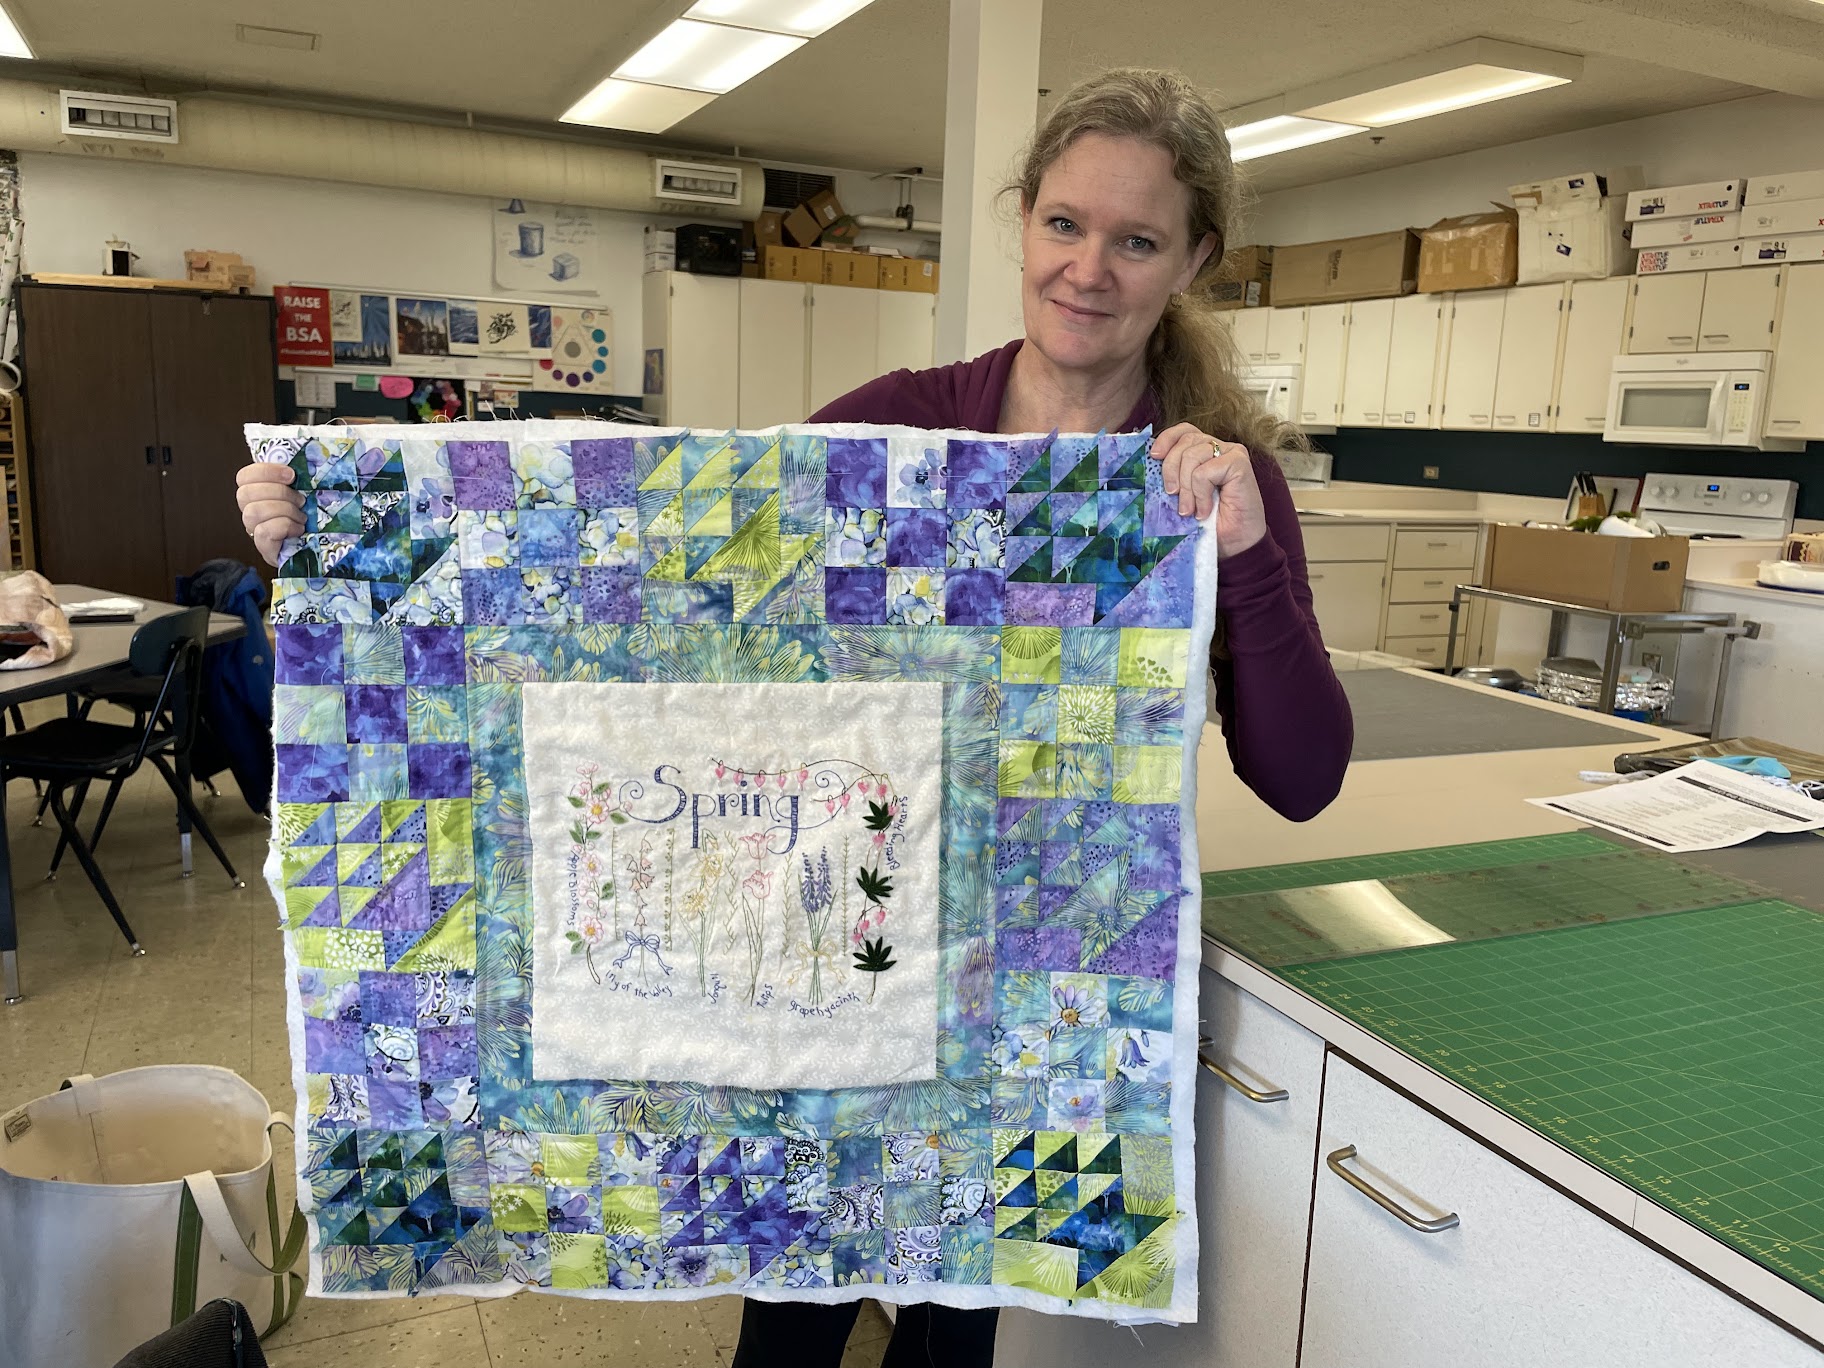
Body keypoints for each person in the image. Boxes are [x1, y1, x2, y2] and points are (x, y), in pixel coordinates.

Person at [237, 64, 1351, 1368]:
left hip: (1019, 1010)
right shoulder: (901, 436)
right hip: (815, 978)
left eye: (1136, 240)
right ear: (1024, 220)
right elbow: (661, 584)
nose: (1087, 269)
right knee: (791, 1316)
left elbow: (1303, 775)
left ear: (1195, 258)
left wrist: (1246, 550)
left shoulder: (1196, 486)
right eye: (1064, 223)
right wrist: (351, 542)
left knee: (953, 1342)